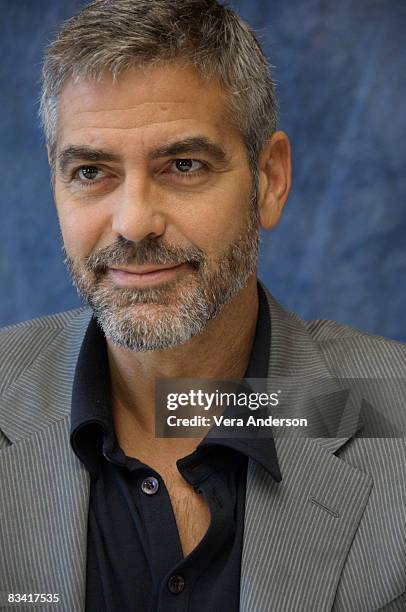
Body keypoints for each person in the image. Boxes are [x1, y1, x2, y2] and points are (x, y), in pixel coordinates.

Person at [0, 1, 405, 610]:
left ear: (268, 179)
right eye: (91, 171)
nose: (134, 223)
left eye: (183, 165)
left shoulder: (393, 417)